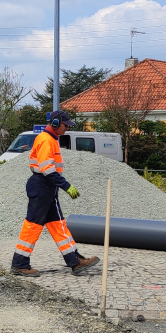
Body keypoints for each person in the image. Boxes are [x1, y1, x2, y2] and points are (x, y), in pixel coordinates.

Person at [11, 110, 100, 277]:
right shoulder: (45, 140)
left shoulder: (51, 139)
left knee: (58, 225)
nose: (67, 128)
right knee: (33, 226)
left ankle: (74, 260)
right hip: (42, 186)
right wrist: (66, 186)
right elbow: (47, 169)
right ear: (56, 124)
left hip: (47, 187)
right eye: (65, 125)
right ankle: (19, 264)